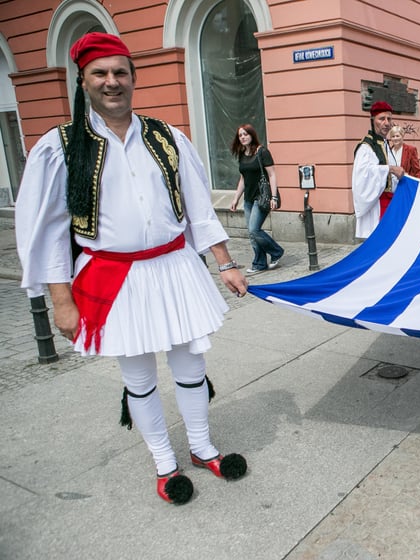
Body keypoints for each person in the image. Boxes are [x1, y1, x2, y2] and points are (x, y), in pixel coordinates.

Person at [15, 32, 250, 505]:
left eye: (120, 72)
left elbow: (199, 207)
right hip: (113, 276)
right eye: (100, 73)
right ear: (83, 82)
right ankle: (164, 463)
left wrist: (224, 262)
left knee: (191, 364)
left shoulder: (167, 137)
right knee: (139, 378)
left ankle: (202, 448)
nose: (112, 81)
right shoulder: (61, 147)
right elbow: (49, 231)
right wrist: (61, 300)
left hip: (175, 266)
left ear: (133, 78)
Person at [229, 124, 284, 273]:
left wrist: (274, 197)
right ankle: (259, 264)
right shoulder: (242, 154)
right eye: (240, 135)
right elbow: (243, 179)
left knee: (254, 230)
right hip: (248, 198)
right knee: (252, 233)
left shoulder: (262, 152)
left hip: (262, 197)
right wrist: (236, 199)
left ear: (252, 135)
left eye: (245, 134)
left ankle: (276, 251)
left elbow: (272, 175)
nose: (243, 137)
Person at [352, 101, 405, 239]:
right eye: (382, 119)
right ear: (372, 120)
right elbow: (362, 176)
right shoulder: (366, 147)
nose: (387, 123)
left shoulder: (385, 144)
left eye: (389, 119)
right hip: (376, 206)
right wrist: (390, 169)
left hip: (389, 204)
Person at [383, 124, 420, 216]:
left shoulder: (410, 150)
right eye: (393, 136)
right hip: (391, 190)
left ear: (402, 136)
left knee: (405, 213)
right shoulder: (387, 151)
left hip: (405, 187)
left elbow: (417, 171)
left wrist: (417, 188)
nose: (395, 138)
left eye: (397, 136)